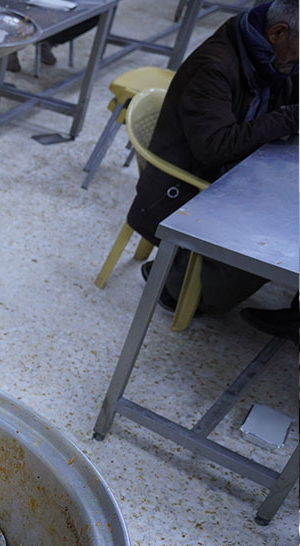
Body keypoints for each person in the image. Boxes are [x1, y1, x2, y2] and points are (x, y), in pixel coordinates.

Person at [126, 0, 297, 316]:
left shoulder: (272, 55)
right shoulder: (216, 66)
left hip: (234, 169)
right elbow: (215, 146)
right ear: (278, 32)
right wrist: (288, 118)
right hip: (182, 187)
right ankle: (175, 287)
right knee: (272, 248)